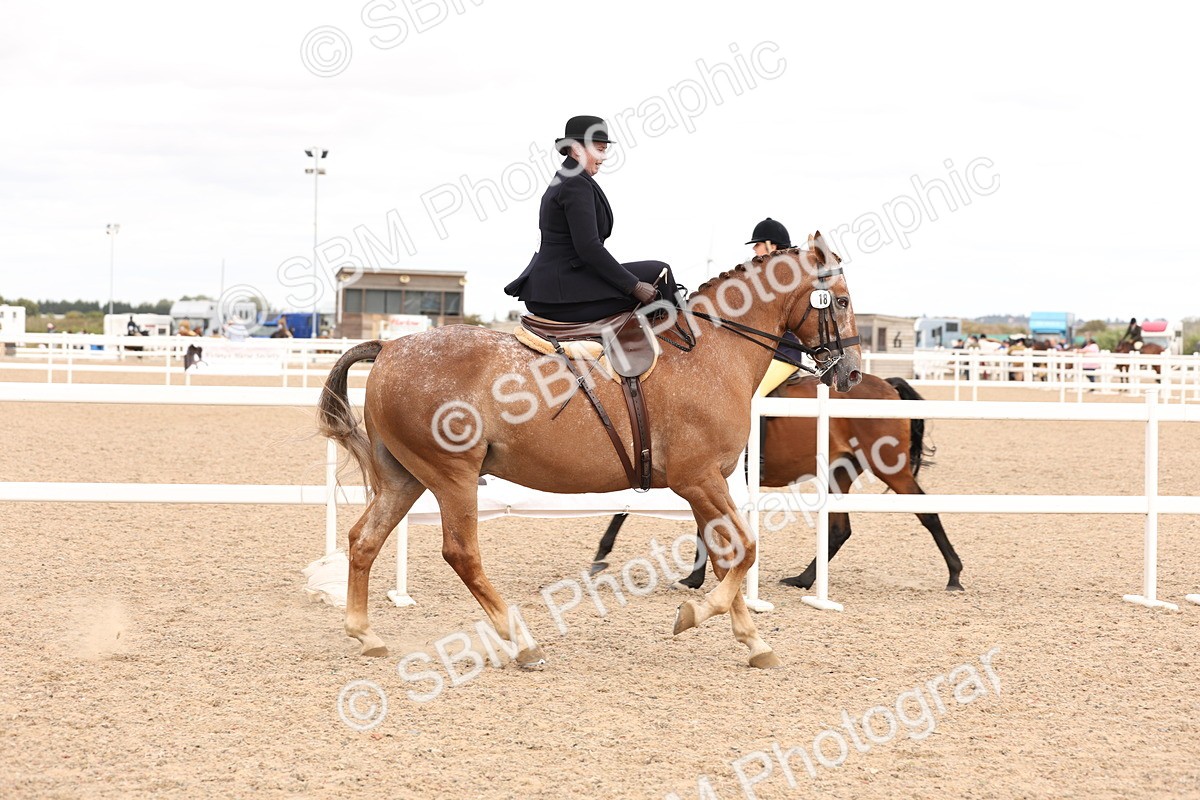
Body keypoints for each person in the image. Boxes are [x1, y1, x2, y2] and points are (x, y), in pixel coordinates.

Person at [504, 115, 678, 322]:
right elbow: (589, 248)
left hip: (558, 284)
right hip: (559, 293)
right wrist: (634, 286)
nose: (604, 158)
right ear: (577, 149)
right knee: (660, 271)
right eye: (600, 150)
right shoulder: (574, 183)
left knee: (656, 274)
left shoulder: (567, 177)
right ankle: (687, 344)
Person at [744, 218, 809, 397]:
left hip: (782, 355)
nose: (753, 249)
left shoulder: (781, 278)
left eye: (757, 244)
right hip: (763, 354)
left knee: (750, 396)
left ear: (771, 246)